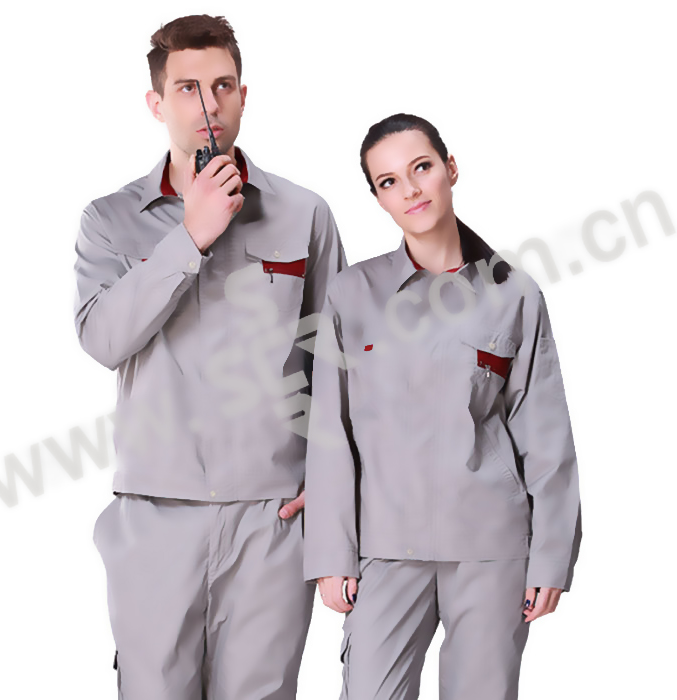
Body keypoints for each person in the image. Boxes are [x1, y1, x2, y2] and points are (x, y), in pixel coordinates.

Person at [73, 15, 347, 700]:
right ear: (156, 103)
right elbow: (102, 339)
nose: (207, 104)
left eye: (222, 86)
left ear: (243, 97)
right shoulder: (109, 220)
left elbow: (339, 366)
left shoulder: (304, 214)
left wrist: (333, 485)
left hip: (273, 517)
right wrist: (190, 236)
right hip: (155, 513)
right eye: (187, 88)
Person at [303, 113, 582, 699]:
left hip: (490, 548)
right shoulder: (352, 293)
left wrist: (552, 556)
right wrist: (331, 551)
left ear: (450, 169)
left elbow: (545, 433)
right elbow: (329, 428)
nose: (410, 190)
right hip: (384, 548)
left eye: (421, 168)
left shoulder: (514, 294)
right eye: (388, 181)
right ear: (378, 198)